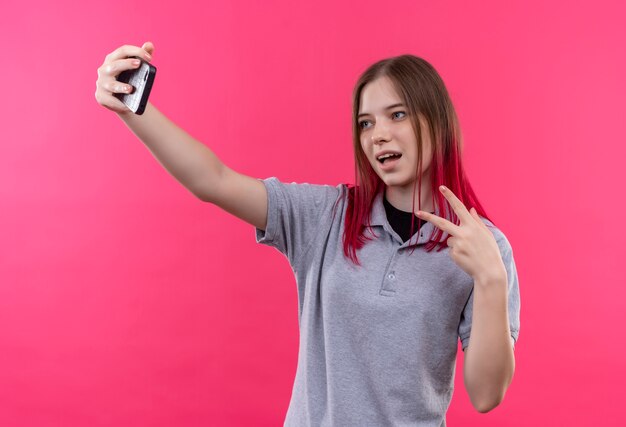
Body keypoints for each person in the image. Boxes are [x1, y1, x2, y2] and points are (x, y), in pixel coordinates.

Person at [95, 42, 520, 426]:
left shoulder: (484, 247)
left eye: (397, 115)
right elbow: (213, 180)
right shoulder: (328, 216)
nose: (379, 136)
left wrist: (491, 280)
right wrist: (133, 108)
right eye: (365, 123)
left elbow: (486, 395)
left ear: (437, 121)